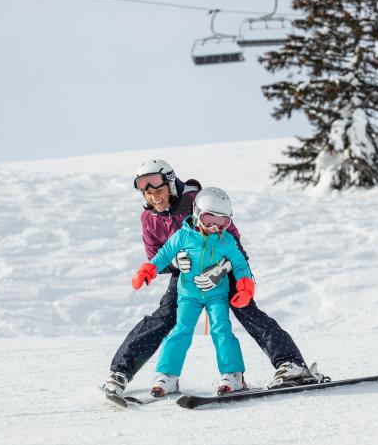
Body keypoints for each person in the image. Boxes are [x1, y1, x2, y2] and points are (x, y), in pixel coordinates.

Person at [101, 159, 318, 398]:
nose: (155, 198)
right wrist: (176, 262)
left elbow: (233, 242)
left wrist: (223, 268)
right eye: (147, 193)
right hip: (188, 274)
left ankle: (290, 364)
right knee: (166, 315)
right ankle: (121, 372)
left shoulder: (201, 201)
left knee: (245, 310)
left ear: (171, 185)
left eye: (159, 190)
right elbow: (156, 257)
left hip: (224, 265)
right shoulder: (150, 219)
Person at [131, 187, 255, 396]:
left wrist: (245, 287)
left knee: (221, 330)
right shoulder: (182, 236)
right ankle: (168, 375)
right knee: (181, 331)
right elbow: (162, 256)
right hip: (188, 295)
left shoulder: (227, 241)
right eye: (208, 219)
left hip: (217, 295)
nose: (214, 227)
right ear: (197, 213)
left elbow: (241, 266)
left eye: (222, 221)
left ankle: (233, 374)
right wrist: (148, 270)